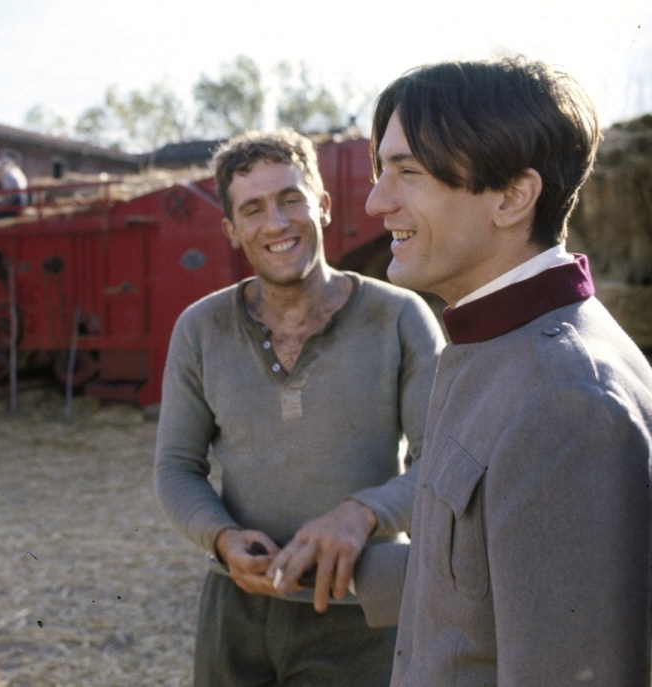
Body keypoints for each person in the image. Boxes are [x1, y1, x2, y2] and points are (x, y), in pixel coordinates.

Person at [358, 56, 652, 685]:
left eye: (409, 172)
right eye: (382, 171)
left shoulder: (567, 400)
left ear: (512, 197)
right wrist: (335, 563)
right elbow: (485, 577)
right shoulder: (498, 343)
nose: (376, 201)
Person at [153, 128, 444, 686]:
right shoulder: (201, 329)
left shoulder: (398, 317)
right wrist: (221, 538)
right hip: (237, 610)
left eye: (291, 200)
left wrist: (362, 514)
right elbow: (175, 467)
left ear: (324, 205)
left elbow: (441, 465)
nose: (277, 223)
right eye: (253, 209)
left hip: (363, 607)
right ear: (231, 230)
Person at [0, 156, 28, 220]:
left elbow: (9, 198)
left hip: (15, 205)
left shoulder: (7, 176)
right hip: (21, 201)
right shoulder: (14, 171)